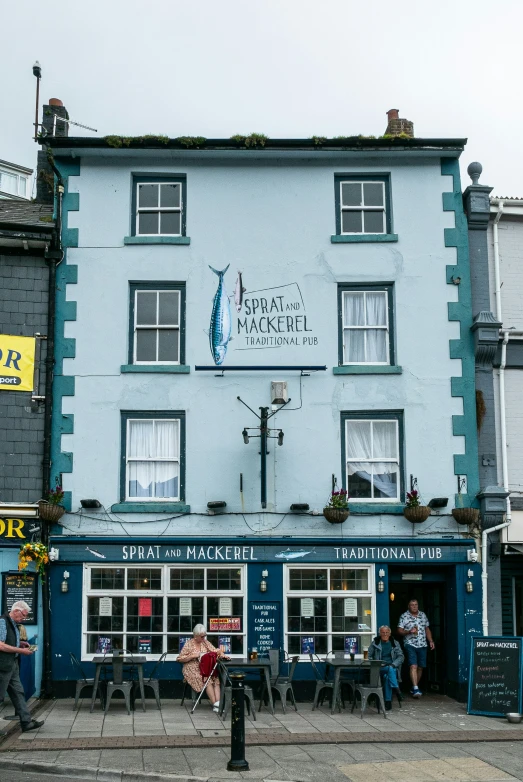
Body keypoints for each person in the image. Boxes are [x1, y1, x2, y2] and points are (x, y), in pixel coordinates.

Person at [0, 601, 43, 734]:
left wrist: (20, 643)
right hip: (2, 665)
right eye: (24, 615)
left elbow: (8, 641)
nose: (24, 618)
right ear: (17, 611)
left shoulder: (14, 624)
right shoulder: (2, 622)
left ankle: (26, 722)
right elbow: (0, 645)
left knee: (19, 693)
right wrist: (20, 651)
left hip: (12, 665)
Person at [177, 624, 230, 712]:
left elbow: (215, 650)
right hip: (191, 668)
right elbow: (179, 659)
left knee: (216, 679)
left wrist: (222, 654)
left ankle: (218, 703)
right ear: (195, 636)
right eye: (202, 636)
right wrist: (192, 656)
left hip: (205, 667)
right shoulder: (189, 644)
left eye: (204, 636)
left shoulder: (205, 643)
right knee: (207, 679)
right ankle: (215, 704)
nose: (203, 638)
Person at [397, 598, 435, 698]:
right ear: (408, 606)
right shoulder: (404, 616)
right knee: (413, 665)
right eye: (412, 605)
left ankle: (414, 686)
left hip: (422, 644)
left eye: (416, 604)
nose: (414, 606)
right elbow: (399, 630)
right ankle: (415, 688)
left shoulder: (423, 615)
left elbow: (427, 629)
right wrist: (409, 631)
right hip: (410, 643)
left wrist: (431, 641)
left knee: (420, 667)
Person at [368, 625, 404, 710]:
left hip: (392, 667)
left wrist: (393, 664)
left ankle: (388, 703)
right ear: (379, 633)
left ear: (390, 633)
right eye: (383, 632)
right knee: (390, 670)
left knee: (387, 677)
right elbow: (369, 657)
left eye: (387, 632)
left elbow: (401, 657)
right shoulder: (375, 643)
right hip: (379, 668)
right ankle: (397, 689)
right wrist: (376, 663)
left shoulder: (395, 643)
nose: (385, 634)